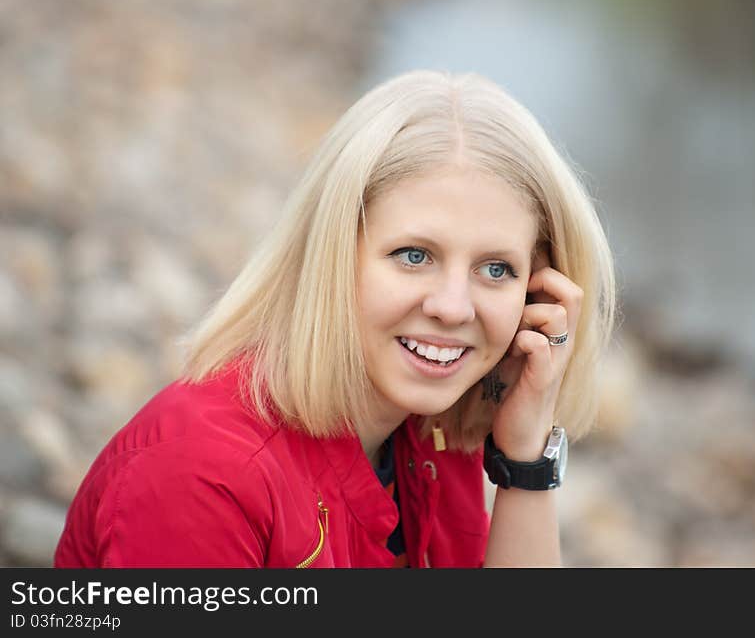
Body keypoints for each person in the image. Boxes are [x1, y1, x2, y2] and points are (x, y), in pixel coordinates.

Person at [54, 69, 616, 568]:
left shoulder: (431, 440)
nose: (452, 307)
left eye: (496, 269)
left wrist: (525, 456)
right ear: (331, 252)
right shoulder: (199, 475)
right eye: (413, 255)